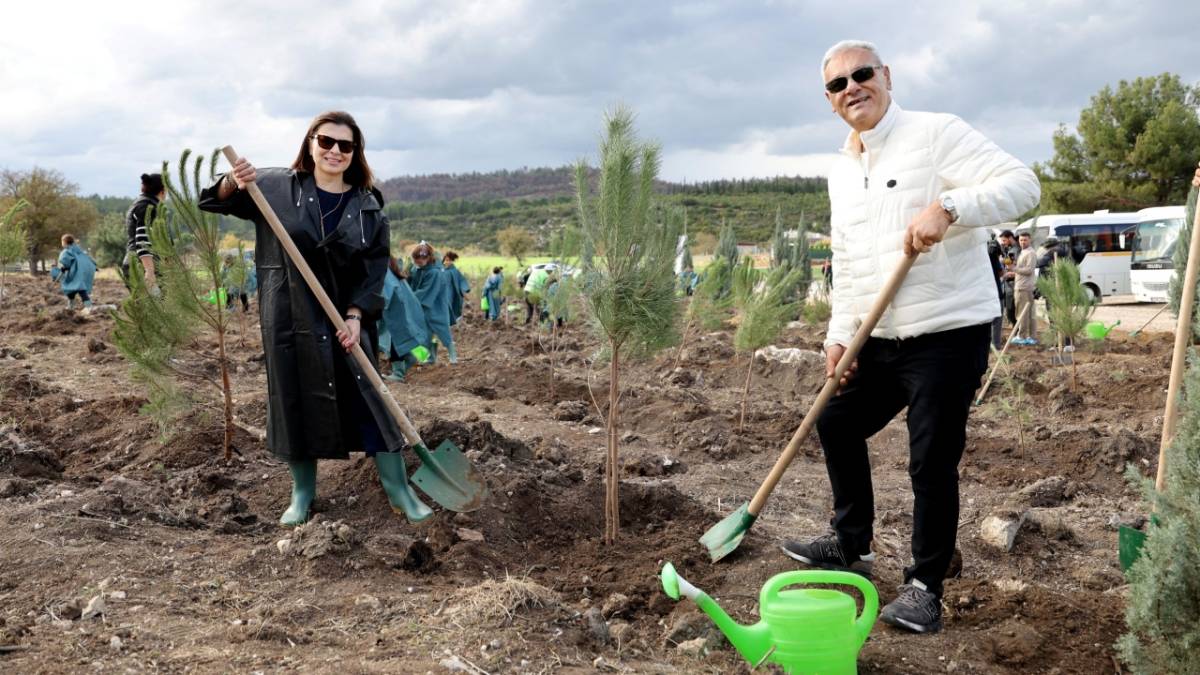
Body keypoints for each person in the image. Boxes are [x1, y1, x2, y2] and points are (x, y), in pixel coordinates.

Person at [780, 40, 1040, 635]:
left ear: (886, 76)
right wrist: (838, 337)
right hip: (881, 334)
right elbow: (848, 262)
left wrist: (950, 207)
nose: (852, 88)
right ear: (829, 100)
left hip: (948, 330)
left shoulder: (936, 133)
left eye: (861, 75)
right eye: (837, 85)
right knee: (836, 420)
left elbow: (1023, 186)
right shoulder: (841, 169)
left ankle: (926, 585)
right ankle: (852, 545)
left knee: (930, 457)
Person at [197, 110, 432, 527]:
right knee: (295, 400)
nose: (335, 151)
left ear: (355, 152)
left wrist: (357, 314)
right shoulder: (272, 187)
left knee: (371, 399)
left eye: (346, 145)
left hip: (347, 320)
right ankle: (302, 493)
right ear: (311, 143)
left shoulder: (367, 204)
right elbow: (214, 199)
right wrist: (233, 181)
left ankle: (399, 490)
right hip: (291, 318)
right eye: (327, 142)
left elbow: (374, 266)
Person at [379, 256, 430, 382]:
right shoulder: (393, 270)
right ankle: (419, 358)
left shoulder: (385, 272)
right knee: (406, 337)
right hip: (404, 309)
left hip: (396, 312)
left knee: (396, 341)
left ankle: (399, 374)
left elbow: (385, 297)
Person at [408, 242, 457, 364]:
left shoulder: (435, 272)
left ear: (428, 258)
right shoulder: (419, 269)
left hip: (436, 306)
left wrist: (410, 297)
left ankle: (453, 356)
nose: (417, 263)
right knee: (426, 334)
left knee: (442, 330)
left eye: (419, 260)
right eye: (415, 260)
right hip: (423, 306)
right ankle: (430, 358)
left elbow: (426, 290)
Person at [123, 173, 165, 288]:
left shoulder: (139, 203)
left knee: (144, 304)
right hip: (144, 264)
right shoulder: (147, 206)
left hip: (134, 262)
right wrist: (149, 271)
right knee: (158, 304)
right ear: (163, 190)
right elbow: (143, 237)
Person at [52, 234, 96, 309]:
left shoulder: (66, 252)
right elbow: (87, 258)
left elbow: (66, 263)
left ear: (65, 242)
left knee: (78, 290)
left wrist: (64, 268)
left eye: (62, 241)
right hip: (81, 273)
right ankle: (74, 306)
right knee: (73, 290)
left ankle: (88, 307)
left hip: (74, 274)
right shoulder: (78, 250)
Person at [1013, 232, 1039, 345]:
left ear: (1030, 240)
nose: (1022, 242)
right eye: (1021, 240)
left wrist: (1014, 269)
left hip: (1023, 288)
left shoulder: (1031, 253)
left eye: (1025, 240)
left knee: (1022, 313)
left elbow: (1029, 270)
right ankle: (1031, 336)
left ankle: (1022, 336)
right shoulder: (1024, 252)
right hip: (1024, 286)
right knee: (1029, 313)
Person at [996, 229, 1018, 325]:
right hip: (1007, 283)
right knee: (1009, 309)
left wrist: (1002, 260)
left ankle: (1017, 331)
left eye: (1004, 240)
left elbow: (1013, 264)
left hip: (1014, 282)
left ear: (1010, 238)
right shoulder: (1009, 249)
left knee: (1011, 309)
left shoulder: (1016, 249)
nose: (1003, 243)